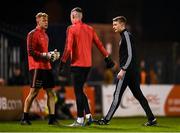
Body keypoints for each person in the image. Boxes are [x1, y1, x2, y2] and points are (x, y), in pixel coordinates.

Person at [59, 7, 114, 127]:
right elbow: (99, 44)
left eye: (71, 16)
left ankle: (79, 119)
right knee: (81, 90)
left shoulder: (71, 29)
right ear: (81, 16)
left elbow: (68, 48)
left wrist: (62, 62)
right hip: (87, 65)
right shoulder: (90, 28)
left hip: (77, 65)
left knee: (78, 91)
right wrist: (107, 57)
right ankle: (88, 116)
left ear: (73, 16)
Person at [97, 16, 157, 126]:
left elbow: (130, 55)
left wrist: (123, 70)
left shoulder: (126, 36)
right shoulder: (125, 36)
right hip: (132, 71)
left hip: (128, 72)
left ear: (122, 25)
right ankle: (152, 119)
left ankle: (105, 120)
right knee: (139, 95)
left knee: (117, 95)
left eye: (115, 24)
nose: (113, 26)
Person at [21, 12, 60, 125]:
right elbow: (31, 52)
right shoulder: (32, 34)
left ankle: (52, 119)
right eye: (44, 20)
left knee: (51, 93)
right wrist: (45, 55)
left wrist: (52, 55)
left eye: (47, 20)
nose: (46, 22)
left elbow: (44, 53)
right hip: (36, 67)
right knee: (33, 93)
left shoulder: (46, 35)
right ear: (38, 21)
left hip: (46, 67)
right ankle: (24, 118)